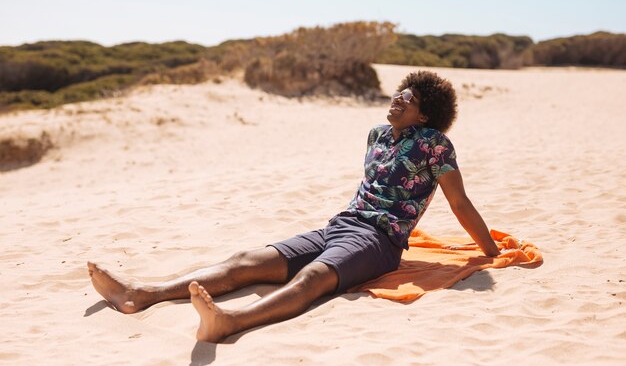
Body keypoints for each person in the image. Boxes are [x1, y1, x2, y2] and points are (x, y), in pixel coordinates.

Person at [88, 70, 500, 343]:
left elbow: (459, 202)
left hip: (380, 240)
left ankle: (231, 321)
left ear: (425, 113)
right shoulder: (377, 134)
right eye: (396, 95)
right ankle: (142, 293)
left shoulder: (435, 144)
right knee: (245, 261)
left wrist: (490, 252)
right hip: (341, 225)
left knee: (314, 276)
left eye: (406, 100)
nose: (395, 101)